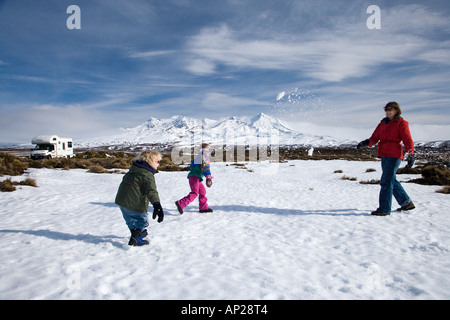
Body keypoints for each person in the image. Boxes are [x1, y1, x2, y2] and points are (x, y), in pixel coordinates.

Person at [357, 102, 415, 216]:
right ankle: (406, 203)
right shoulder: (382, 124)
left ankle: (384, 208)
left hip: (394, 155)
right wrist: (365, 143)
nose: (388, 112)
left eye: (390, 110)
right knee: (391, 179)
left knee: (386, 181)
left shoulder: (401, 123)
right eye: (386, 110)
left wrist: (411, 153)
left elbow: (407, 139)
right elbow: (374, 138)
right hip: (384, 154)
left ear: (396, 111)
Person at [115, 150, 164, 246]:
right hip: (135, 203)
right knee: (142, 221)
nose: (159, 164)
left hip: (122, 201)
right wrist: (157, 204)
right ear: (150, 162)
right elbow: (151, 191)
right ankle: (136, 238)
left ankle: (136, 233)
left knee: (131, 220)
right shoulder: (147, 175)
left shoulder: (134, 169)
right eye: (157, 161)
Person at [175, 143, 214, 214]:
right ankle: (181, 203)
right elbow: (205, 167)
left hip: (195, 177)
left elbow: (192, 166)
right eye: (209, 149)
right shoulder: (204, 156)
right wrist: (208, 176)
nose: (210, 151)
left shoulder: (199, 157)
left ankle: (203, 207)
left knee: (202, 191)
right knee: (195, 193)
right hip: (195, 177)